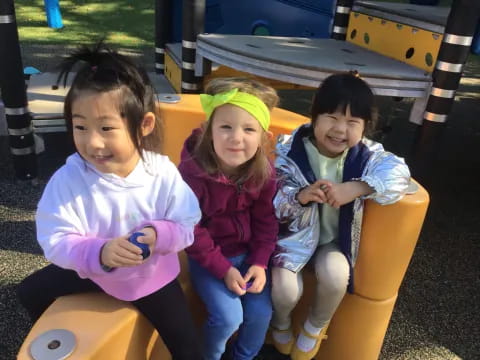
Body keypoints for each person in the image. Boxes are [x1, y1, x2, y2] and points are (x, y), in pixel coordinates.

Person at [17, 43, 202, 360]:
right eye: (80, 126)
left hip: (151, 277)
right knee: (29, 292)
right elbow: (55, 238)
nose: (92, 141)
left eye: (106, 128)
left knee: (187, 347)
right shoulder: (69, 179)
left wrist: (159, 234)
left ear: (143, 125)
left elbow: (187, 223)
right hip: (92, 270)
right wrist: (100, 251)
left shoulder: (161, 173)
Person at [269, 72, 411, 360]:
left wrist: (356, 187)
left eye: (352, 123)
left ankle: (315, 326)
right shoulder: (288, 150)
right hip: (294, 238)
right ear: (314, 117)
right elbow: (272, 201)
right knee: (284, 290)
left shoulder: (365, 156)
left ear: (364, 128)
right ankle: (280, 323)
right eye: (332, 118)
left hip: (333, 241)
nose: (339, 130)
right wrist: (300, 196)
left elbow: (399, 174)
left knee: (337, 276)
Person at [178, 78, 279, 360]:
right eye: (226, 127)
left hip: (248, 256)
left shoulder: (264, 173)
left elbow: (266, 222)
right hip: (208, 258)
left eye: (249, 129)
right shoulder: (192, 172)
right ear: (209, 132)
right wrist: (223, 269)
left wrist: (259, 262)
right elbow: (191, 229)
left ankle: (243, 357)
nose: (236, 137)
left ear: (263, 137)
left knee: (261, 315)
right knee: (228, 318)